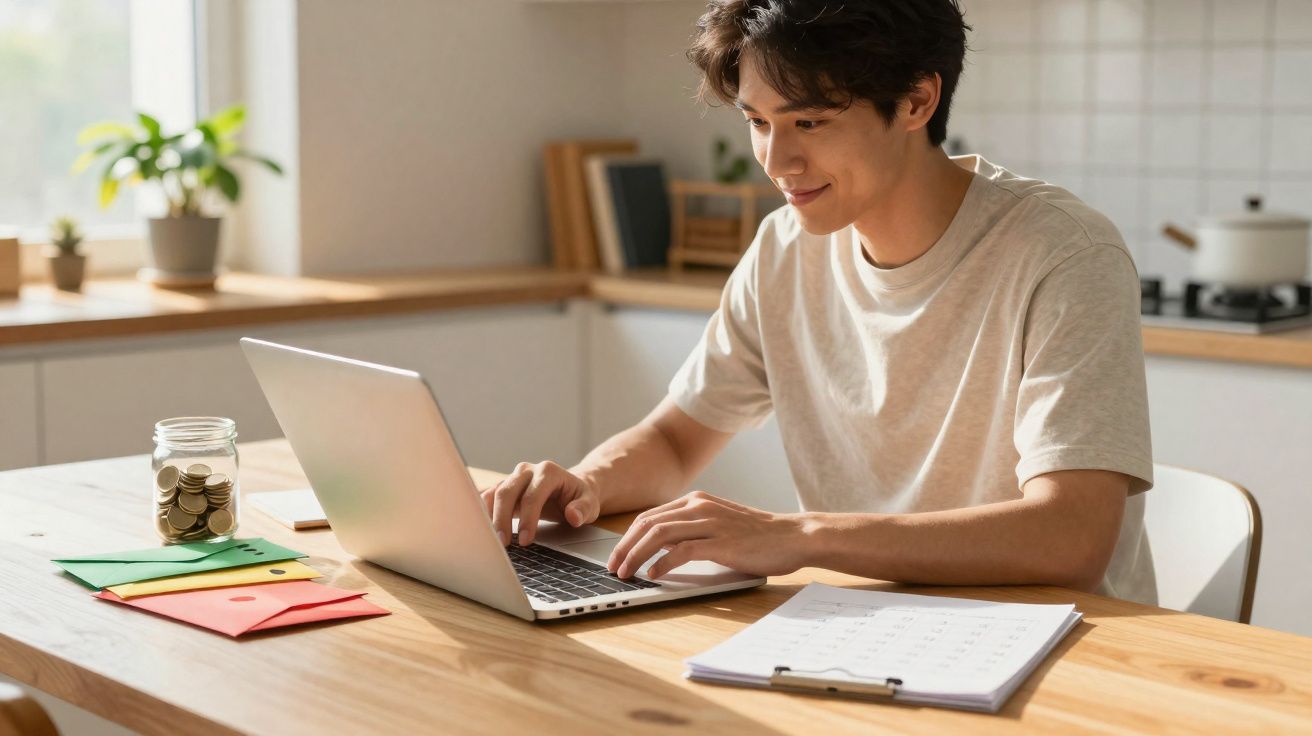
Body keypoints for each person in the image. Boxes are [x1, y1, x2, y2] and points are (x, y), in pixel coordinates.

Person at [482, 0, 1155, 601]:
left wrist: (800, 534)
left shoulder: (1063, 254)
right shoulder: (784, 247)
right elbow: (674, 438)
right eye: (758, 121)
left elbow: (1072, 538)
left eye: (809, 121)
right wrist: (585, 486)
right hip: (862, 622)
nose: (777, 161)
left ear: (917, 102)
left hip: (1054, 638)